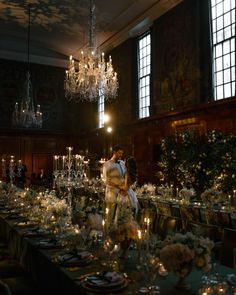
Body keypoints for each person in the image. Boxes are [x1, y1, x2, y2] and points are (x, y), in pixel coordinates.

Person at [102, 145, 125, 226]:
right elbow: (105, 180)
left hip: (122, 192)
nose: (121, 155)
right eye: (119, 153)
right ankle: (107, 231)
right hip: (111, 192)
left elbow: (124, 176)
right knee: (110, 215)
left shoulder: (122, 163)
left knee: (120, 215)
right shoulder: (107, 164)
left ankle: (118, 232)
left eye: (122, 153)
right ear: (114, 152)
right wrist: (118, 187)